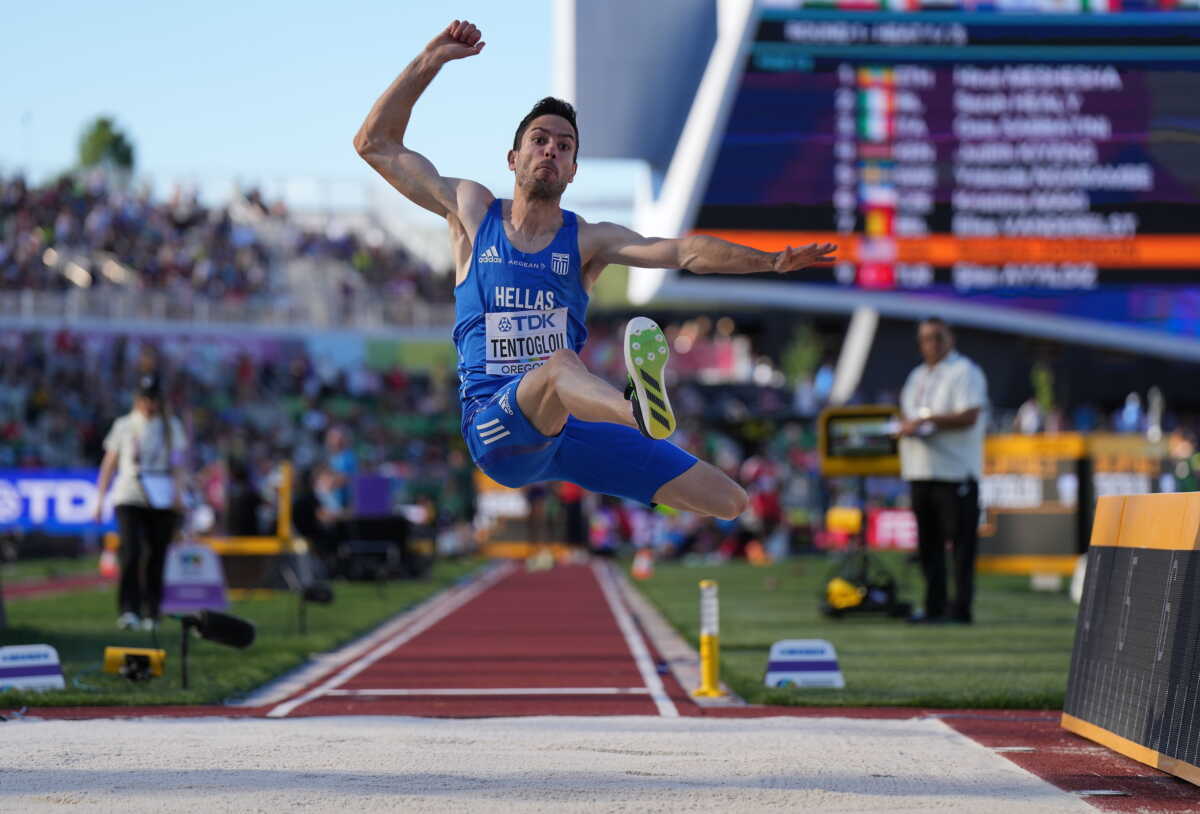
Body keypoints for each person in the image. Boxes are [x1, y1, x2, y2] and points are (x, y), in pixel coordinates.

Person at [353, 20, 836, 518]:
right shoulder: (472, 211)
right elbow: (374, 143)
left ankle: (639, 414)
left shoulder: (587, 240)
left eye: (564, 147)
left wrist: (771, 261)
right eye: (539, 141)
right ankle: (638, 411)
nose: (550, 151)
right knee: (561, 365)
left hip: (566, 425)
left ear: (573, 170)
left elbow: (683, 252)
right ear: (513, 157)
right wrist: (431, 59)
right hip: (493, 426)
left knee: (730, 501)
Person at [897, 318, 988, 624]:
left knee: (961, 546)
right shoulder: (916, 375)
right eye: (925, 338)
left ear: (950, 338)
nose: (931, 344)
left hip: (955, 472)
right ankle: (934, 607)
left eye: (937, 337)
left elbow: (970, 415)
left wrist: (927, 422)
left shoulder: (965, 371)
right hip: (921, 470)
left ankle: (961, 609)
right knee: (928, 546)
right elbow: (908, 415)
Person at [93, 373, 189, 631]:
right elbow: (109, 463)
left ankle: (152, 610)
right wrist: (99, 498)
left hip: (161, 495)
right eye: (145, 398)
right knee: (131, 551)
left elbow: (178, 464)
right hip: (129, 493)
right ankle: (128, 609)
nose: (149, 404)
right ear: (138, 399)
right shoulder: (124, 425)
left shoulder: (172, 427)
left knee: (156, 554)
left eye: (154, 399)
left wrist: (179, 492)